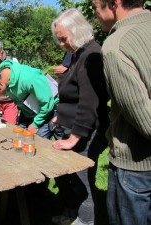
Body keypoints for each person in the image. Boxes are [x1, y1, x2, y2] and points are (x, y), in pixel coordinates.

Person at [93, 0, 151, 224]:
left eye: (96, 5)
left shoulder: (116, 45)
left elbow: (146, 122)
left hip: (137, 168)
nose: (96, 13)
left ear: (114, 3)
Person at [50, 9, 109, 225]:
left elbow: (89, 101)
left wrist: (75, 137)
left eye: (63, 38)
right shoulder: (77, 54)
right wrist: (59, 116)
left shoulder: (90, 55)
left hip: (86, 130)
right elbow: (71, 93)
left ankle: (86, 221)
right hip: (68, 124)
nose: (62, 44)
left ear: (77, 31)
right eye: (59, 39)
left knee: (83, 179)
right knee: (71, 176)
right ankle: (73, 214)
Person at [0, 59, 58, 139]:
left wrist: (35, 124)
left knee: (34, 142)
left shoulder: (29, 78)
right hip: (28, 113)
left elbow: (48, 104)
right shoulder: (1, 77)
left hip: (48, 112)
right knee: (17, 138)